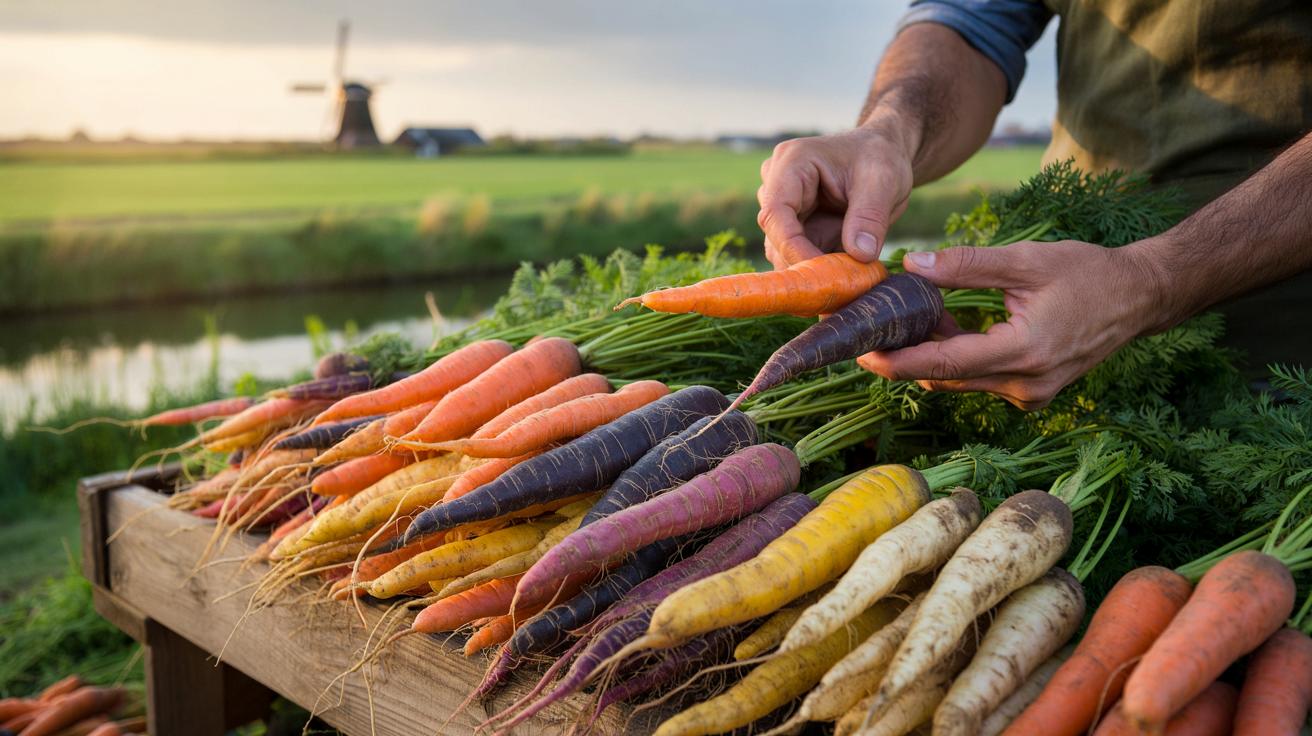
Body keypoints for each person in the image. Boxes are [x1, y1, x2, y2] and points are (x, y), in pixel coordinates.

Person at [757, 0, 1312, 410]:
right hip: (1061, 331)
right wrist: (890, 131)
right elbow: (973, 20)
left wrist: (1153, 278)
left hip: (1284, 364)